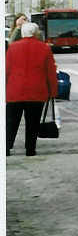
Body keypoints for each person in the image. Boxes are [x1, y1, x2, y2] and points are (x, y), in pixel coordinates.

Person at [6, 22, 58, 156]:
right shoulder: (44, 48)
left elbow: (6, 70)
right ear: (36, 33)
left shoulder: (12, 48)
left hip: (14, 91)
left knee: (11, 122)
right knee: (33, 123)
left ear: (23, 33)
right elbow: (50, 72)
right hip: (37, 91)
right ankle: (30, 149)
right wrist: (53, 91)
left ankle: (6, 147)